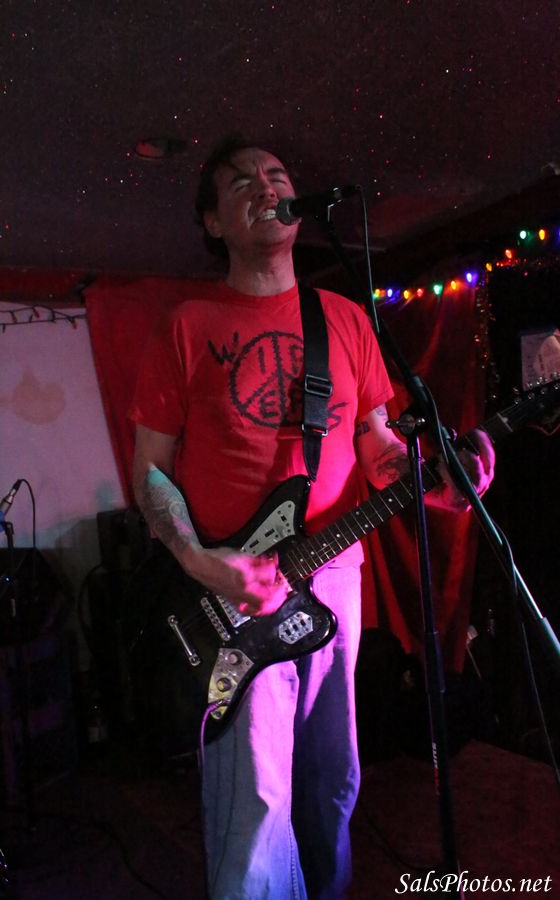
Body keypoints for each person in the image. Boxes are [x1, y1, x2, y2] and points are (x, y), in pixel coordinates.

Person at [130, 136, 495, 899]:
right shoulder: (187, 324)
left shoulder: (345, 320)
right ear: (213, 222)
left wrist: (439, 485)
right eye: (241, 183)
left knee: (333, 778)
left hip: (334, 575)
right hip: (235, 587)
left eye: (277, 176)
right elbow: (150, 471)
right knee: (256, 805)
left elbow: (377, 444)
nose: (266, 188)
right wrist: (201, 562)